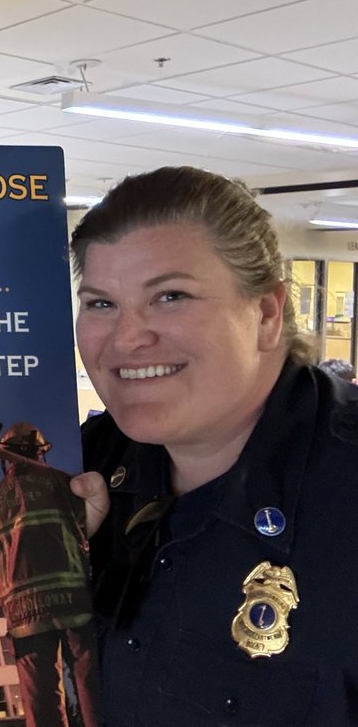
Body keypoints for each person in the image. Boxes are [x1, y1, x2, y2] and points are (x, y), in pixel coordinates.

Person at [69, 165, 358, 725]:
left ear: (266, 314)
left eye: (171, 296)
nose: (127, 338)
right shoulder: (82, 467)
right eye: (101, 303)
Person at [0, 422, 101, 727]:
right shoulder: (64, 483)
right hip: (74, 599)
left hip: (23, 614)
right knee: (91, 682)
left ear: (7, 458)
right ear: (40, 452)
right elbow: (89, 532)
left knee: (40, 699)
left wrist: (5, 598)